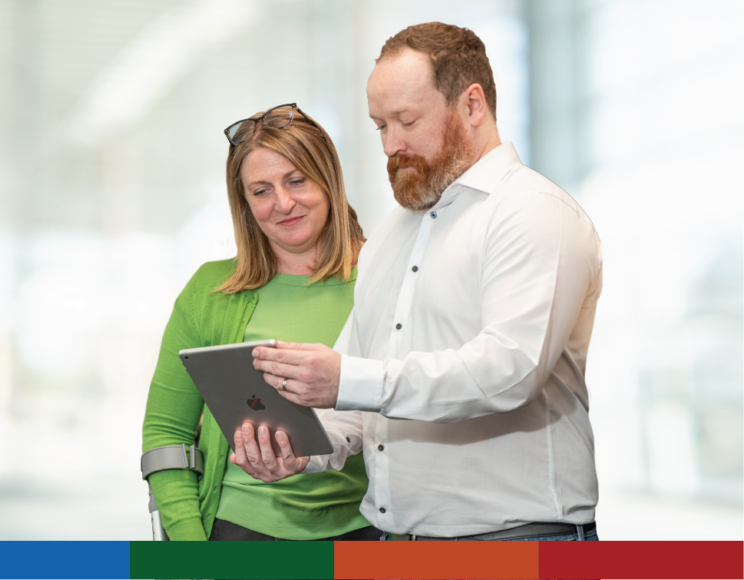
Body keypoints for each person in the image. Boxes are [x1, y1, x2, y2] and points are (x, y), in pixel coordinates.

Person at [232, 22, 602, 542]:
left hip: (517, 543)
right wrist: (302, 447)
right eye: (380, 126)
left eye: (406, 120)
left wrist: (347, 380)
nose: (392, 144)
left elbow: (510, 371)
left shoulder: (532, 213)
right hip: (397, 547)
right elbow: (356, 402)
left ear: (473, 105)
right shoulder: (388, 238)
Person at [141, 103, 380, 541]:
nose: (283, 203)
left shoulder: (386, 277)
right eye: (261, 191)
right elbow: (166, 434)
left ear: (327, 179)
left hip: (364, 534)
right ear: (245, 202)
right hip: (238, 532)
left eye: (296, 180)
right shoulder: (212, 290)